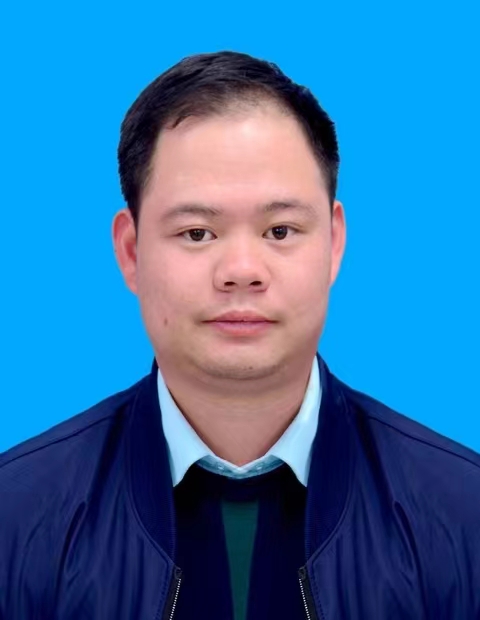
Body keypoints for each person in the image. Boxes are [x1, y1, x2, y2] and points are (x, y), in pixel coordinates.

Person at [1, 51, 479, 620]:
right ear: (131, 251)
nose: (242, 270)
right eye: (197, 233)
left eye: (280, 230)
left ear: (333, 243)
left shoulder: (461, 515)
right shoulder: (18, 518)